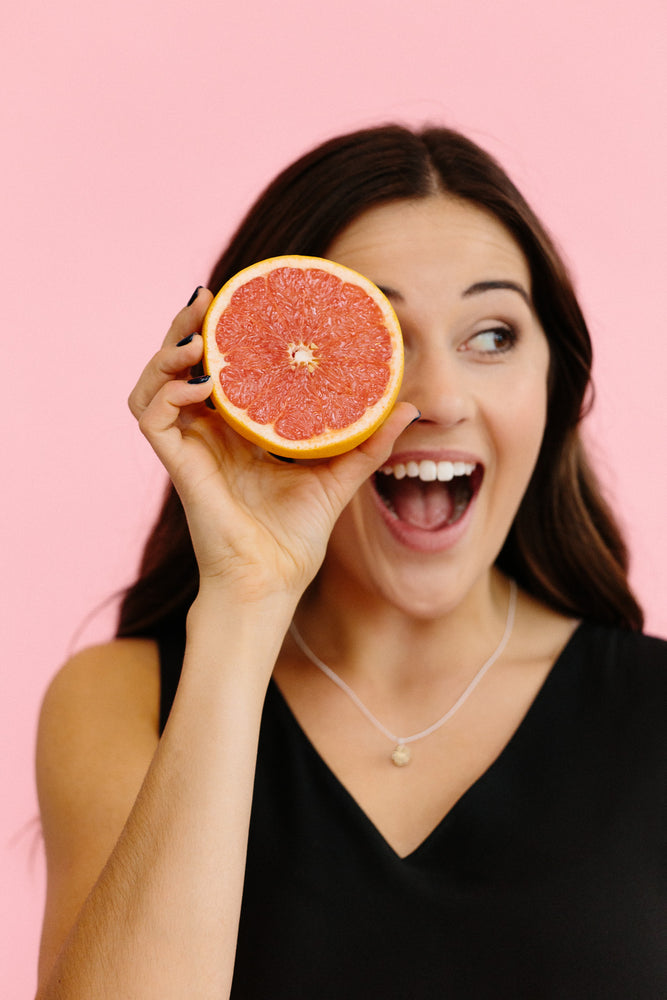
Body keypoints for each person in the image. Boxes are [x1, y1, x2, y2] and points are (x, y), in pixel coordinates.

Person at [35, 125, 667, 1000]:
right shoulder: (122, 701)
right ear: (256, 379)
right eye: (379, 338)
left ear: (553, 387)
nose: (440, 399)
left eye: (490, 336)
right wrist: (244, 601)